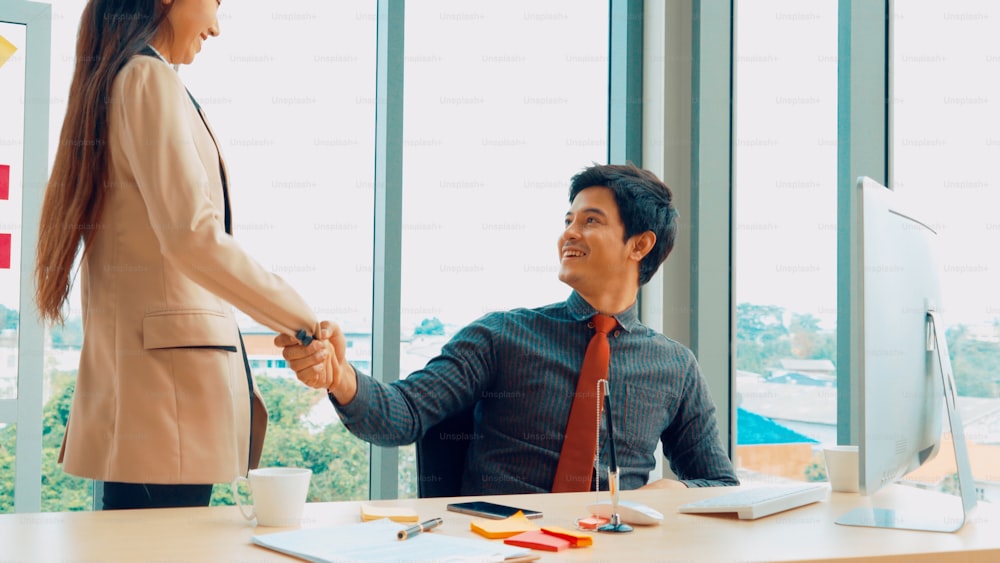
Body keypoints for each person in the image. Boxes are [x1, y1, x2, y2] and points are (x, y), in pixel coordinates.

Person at [278, 163, 739, 495]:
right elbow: (403, 415)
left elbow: (719, 483)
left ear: (640, 244)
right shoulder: (502, 336)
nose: (569, 233)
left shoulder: (675, 366)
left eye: (590, 221)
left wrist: (673, 494)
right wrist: (340, 377)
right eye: (568, 220)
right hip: (501, 547)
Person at [34, 0, 323, 510]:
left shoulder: (128, 81)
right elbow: (193, 236)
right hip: (166, 403)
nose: (216, 26)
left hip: (156, 399)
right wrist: (303, 320)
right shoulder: (148, 79)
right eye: (216, 4)